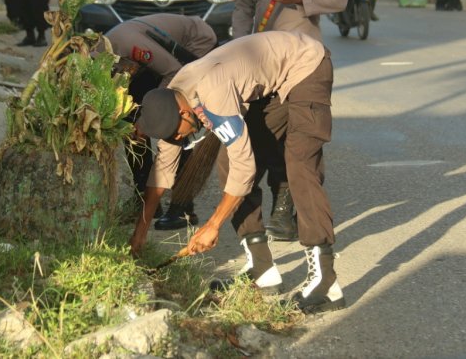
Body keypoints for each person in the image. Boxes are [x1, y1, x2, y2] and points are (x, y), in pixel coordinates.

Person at [130, 31, 345, 314]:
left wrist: (213, 225)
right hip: (272, 82)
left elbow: (246, 165)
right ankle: (261, 269)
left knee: (300, 165)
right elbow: (162, 171)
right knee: (228, 163)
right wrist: (140, 233)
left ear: (184, 114)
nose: (179, 140)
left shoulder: (212, 95)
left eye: (178, 135)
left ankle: (326, 284)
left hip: (306, 65)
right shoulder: (173, 96)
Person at [232, 0, 347, 243]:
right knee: (264, 135)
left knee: (303, 140)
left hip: (302, 66)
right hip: (262, 65)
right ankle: (282, 195)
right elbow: (243, 8)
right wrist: (237, 49)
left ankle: (293, 209)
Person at [105, 14, 217, 229]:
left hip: (194, 47)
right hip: (157, 62)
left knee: (177, 123)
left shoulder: (131, 46)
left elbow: (173, 71)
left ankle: (182, 207)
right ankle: (145, 199)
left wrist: (149, 116)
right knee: (130, 122)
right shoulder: (104, 60)